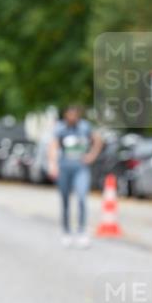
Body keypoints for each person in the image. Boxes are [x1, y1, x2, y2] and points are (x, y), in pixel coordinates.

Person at [47, 105, 102, 248]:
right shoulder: (60, 129)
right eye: (69, 115)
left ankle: (82, 231)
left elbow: (97, 140)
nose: (72, 117)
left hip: (80, 168)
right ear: (65, 115)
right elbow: (53, 146)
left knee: (82, 197)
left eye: (75, 115)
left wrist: (92, 155)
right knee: (65, 200)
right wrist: (53, 165)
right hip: (64, 168)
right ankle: (66, 231)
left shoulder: (85, 127)